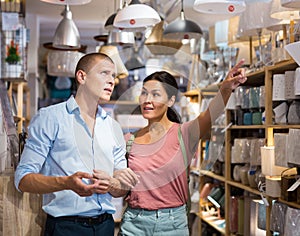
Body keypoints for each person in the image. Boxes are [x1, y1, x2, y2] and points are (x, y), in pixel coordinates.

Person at [116, 59, 247, 236]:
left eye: (155, 94)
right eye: (144, 93)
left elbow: (211, 113)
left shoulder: (185, 133)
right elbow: (121, 185)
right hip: (134, 223)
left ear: (170, 100)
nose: (147, 100)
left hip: (172, 225)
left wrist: (225, 89)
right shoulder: (129, 140)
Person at [14, 52, 139, 236]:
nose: (112, 81)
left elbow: (121, 189)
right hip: (65, 228)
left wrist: (113, 183)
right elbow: (23, 179)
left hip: (105, 226)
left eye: (113, 76)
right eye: (104, 73)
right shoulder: (50, 117)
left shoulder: (113, 127)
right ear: (82, 76)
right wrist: (66, 183)